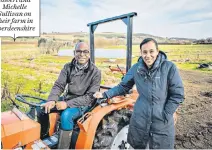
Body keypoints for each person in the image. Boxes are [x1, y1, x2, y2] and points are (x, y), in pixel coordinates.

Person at [94, 38, 184, 149]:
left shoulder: (169, 67)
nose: (148, 55)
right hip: (140, 117)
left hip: (161, 121)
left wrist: (166, 113)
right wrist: (105, 94)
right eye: (144, 52)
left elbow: (177, 94)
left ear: (157, 51)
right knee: (139, 146)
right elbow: (123, 86)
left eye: (151, 51)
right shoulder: (136, 68)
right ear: (141, 53)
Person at [37, 42, 101, 149]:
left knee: (66, 116)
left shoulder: (95, 72)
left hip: (84, 103)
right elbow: (59, 85)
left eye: (85, 52)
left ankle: (63, 147)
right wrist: (52, 100)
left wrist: (66, 104)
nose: (82, 54)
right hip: (69, 98)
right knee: (42, 108)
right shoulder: (68, 67)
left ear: (89, 54)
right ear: (74, 53)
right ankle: (44, 139)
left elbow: (90, 97)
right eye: (78, 51)